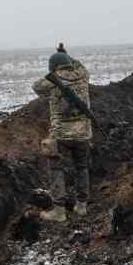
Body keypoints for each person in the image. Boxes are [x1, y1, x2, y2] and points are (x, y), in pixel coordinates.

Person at [32, 43, 93, 222]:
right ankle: (81, 206)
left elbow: (36, 87)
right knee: (82, 168)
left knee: (57, 169)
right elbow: (78, 64)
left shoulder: (52, 80)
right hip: (84, 133)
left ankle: (59, 211)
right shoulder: (83, 74)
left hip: (61, 135)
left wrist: (55, 71)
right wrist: (66, 55)